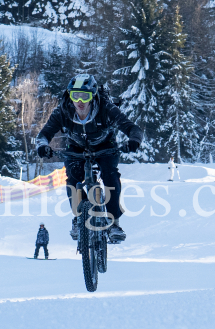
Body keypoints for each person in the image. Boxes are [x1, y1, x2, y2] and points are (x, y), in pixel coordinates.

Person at [34, 74, 144, 243]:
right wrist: (42, 146)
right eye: (75, 95)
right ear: (69, 96)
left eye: (85, 96)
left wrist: (134, 140)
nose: (80, 101)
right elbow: (44, 134)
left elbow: (131, 127)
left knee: (110, 175)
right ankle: (80, 218)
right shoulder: (63, 111)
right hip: (76, 148)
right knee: (72, 179)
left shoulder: (106, 108)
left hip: (105, 146)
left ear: (93, 96)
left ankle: (113, 222)